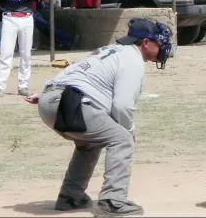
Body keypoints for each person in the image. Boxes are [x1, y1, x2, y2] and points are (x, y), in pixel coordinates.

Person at [25, 18, 175, 216]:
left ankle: (71, 196)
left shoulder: (108, 50)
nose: (164, 48)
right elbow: (122, 106)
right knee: (122, 139)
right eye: (160, 43)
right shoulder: (132, 59)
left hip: (52, 99)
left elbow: (78, 70)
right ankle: (113, 202)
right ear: (146, 43)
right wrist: (128, 132)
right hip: (72, 103)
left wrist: (47, 96)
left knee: (89, 142)